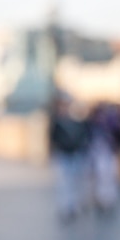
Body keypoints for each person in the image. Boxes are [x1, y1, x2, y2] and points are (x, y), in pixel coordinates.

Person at [48, 92, 91, 223]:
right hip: (63, 154)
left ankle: (73, 206)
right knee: (64, 182)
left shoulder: (77, 120)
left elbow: (84, 136)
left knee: (75, 182)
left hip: (75, 154)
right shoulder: (57, 121)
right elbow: (52, 138)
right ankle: (65, 207)